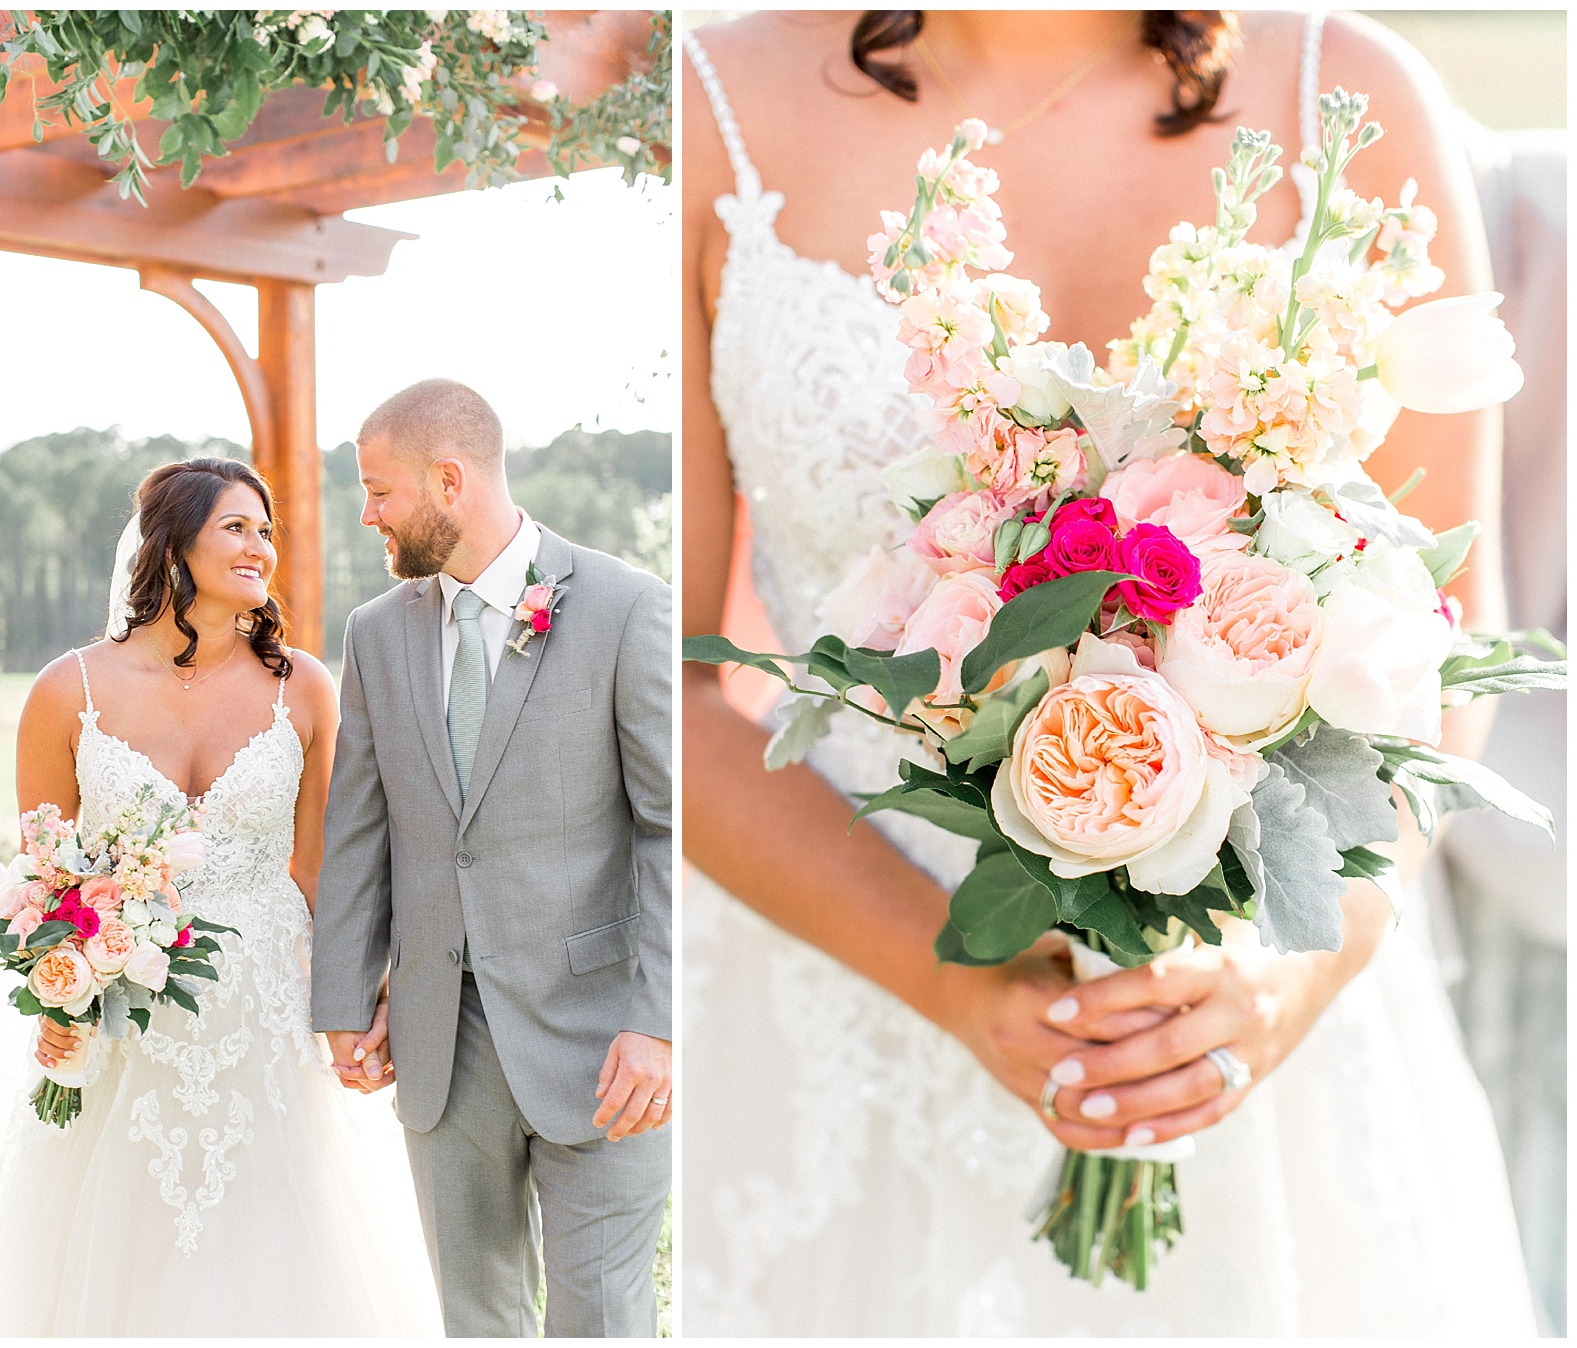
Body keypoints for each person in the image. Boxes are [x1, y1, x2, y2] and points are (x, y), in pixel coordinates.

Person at [681, 10, 1536, 1335]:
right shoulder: (712, 104)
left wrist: (1299, 972)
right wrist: (949, 981)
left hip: (1256, 1022)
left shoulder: (1352, 92)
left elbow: (1449, 647)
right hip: (846, 1003)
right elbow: (668, 689)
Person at [0, 458, 436, 1336]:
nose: (261, 546)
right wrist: (55, 989)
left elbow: (322, 869)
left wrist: (362, 992)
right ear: (170, 546)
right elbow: (43, 873)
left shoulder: (304, 687)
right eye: (236, 527)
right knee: (124, 1253)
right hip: (126, 1019)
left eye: (266, 530)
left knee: (276, 1247)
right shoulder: (66, 691)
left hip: (267, 1018)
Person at [310, 378, 673, 1337]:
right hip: (441, 1040)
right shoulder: (376, 634)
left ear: (448, 479)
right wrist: (347, 1000)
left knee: (601, 1319)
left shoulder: (628, 609)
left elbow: (673, 828)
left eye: (380, 491)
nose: (368, 513)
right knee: (477, 1322)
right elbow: (359, 827)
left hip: (604, 1042)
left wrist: (662, 1022)